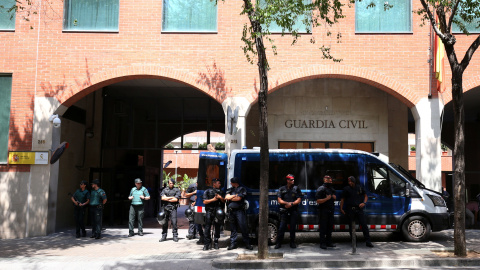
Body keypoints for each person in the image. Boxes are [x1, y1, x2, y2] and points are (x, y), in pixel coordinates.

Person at [340, 176, 374, 248]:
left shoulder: (359, 188)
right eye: (349, 181)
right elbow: (342, 199)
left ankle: (368, 241)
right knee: (351, 227)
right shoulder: (346, 189)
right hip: (350, 210)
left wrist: (364, 203)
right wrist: (341, 208)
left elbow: (366, 196)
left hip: (359, 209)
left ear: (354, 181)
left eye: (351, 181)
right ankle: (354, 242)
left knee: (364, 225)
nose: (350, 183)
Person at [275, 174, 302, 249]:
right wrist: (286, 203)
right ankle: (279, 243)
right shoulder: (282, 189)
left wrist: (292, 204)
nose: (293, 181)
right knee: (281, 228)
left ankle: (292, 242)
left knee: (293, 227)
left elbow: (299, 199)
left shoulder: (296, 188)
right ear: (287, 180)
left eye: (293, 179)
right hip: (284, 211)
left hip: (293, 210)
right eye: (291, 180)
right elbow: (279, 200)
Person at [225, 177, 253, 250]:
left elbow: (239, 199)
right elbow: (226, 197)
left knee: (243, 227)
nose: (230, 183)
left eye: (231, 182)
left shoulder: (242, 189)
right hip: (231, 211)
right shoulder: (230, 189)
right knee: (233, 228)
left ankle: (247, 243)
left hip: (239, 211)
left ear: (234, 183)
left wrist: (231, 197)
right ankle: (233, 243)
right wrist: (234, 196)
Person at [202, 178, 225, 250]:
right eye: (219, 183)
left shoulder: (220, 191)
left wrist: (220, 197)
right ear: (214, 184)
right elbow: (204, 202)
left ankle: (216, 242)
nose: (220, 185)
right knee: (207, 228)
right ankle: (207, 244)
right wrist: (213, 199)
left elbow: (224, 201)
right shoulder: (207, 191)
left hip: (217, 212)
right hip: (209, 211)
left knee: (217, 228)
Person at [316, 175, 336, 249]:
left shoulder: (331, 188)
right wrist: (326, 199)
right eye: (330, 180)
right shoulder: (321, 189)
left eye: (331, 180)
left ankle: (329, 242)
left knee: (330, 227)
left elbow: (334, 197)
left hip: (330, 210)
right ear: (325, 180)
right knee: (323, 228)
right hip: (323, 210)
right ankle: (322, 243)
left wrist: (334, 197)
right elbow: (318, 201)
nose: (331, 182)